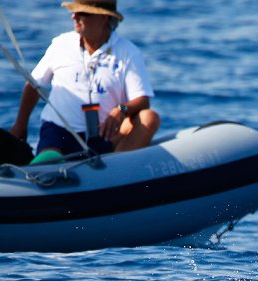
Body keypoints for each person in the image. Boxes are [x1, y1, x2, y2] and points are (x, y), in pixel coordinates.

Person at [9, 0, 160, 162]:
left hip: (104, 134)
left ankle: (116, 170)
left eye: (83, 13)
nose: (74, 16)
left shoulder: (128, 52)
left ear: (103, 17)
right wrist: (20, 125)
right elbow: (34, 85)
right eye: (74, 12)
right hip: (59, 132)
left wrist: (121, 109)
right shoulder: (61, 45)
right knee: (50, 159)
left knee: (149, 118)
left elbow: (143, 100)